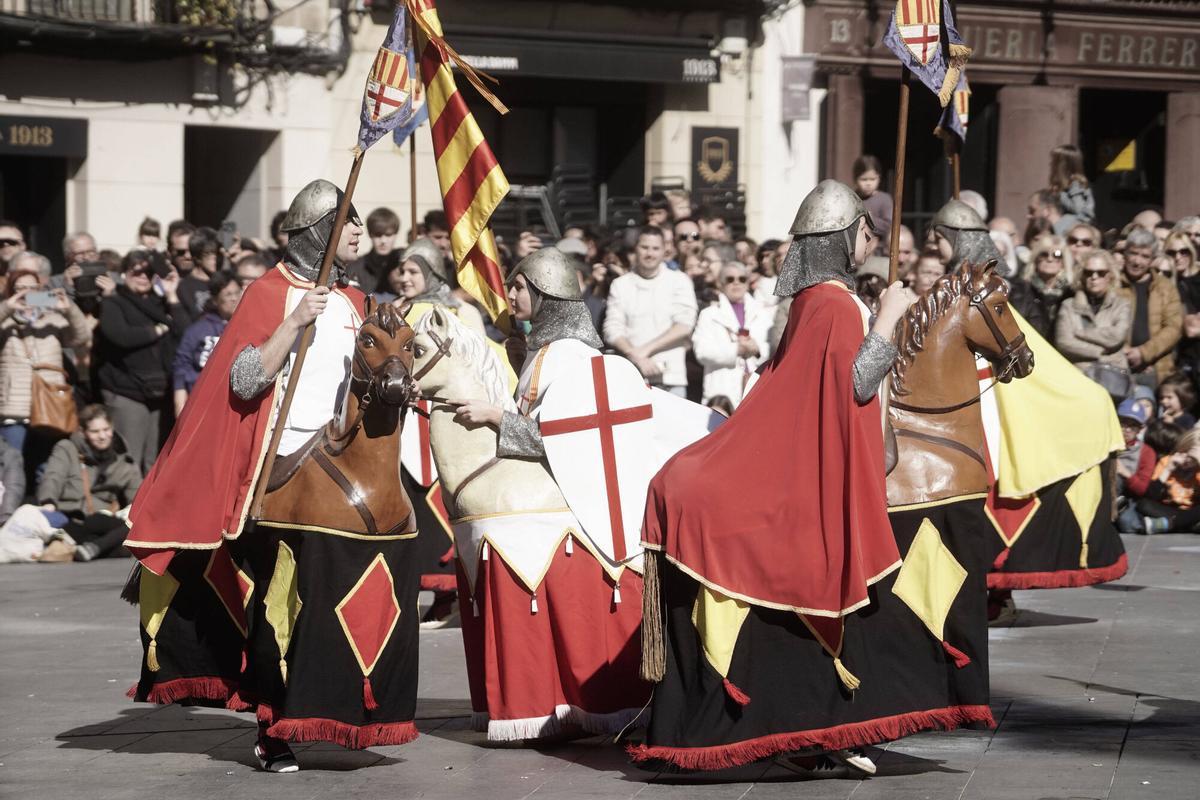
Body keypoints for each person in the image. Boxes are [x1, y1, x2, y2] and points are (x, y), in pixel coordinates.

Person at [633, 180, 992, 775]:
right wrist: (888, 321)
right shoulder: (834, 303)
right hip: (806, 471)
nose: (871, 241)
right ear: (846, 237)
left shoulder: (809, 301)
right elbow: (854, 384)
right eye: (865, 231)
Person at [126, 179, 420, 770]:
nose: (359, 231)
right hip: (282, 461)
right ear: (319, 233)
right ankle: (271, 725)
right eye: (348, 221)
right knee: (282, 601)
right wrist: (292, 323)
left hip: (344, 456)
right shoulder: (271, 292)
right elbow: (241, 380)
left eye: (360, 221)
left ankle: (345, 706)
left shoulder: (355, 299)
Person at [434, 245, 652, 740]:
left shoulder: (571, 358)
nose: (510, 295)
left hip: (574, 506)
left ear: (548, 296)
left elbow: (564, 438)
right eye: (510, 285)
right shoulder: (541, 354)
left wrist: (496, 417)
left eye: (520, 288)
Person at [94, 249, 186, 472]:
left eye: (149, 272)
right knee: (129, 461)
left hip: (160, 393)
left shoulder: (162, 303)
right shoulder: (114, 301)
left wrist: (172, 295)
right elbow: (120, 336)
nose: (143, 276)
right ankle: (127, 506)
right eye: (137, 272)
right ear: (124, 274)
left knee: (155, 462)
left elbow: (184, 333)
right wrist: (156, 330)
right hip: (128, 392)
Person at [0, 260, 91, 481]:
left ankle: (46, 511)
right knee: (12, 464)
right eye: (19, 289)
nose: (26, 294)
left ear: (41, 290)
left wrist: (69, 309)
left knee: (46, 466)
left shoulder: (53, 319)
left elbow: (82, 337)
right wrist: (7, 308)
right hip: (15, 407)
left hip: (50, 403)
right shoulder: (5, 322)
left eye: (32, 288)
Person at [37, 404, 142, 561]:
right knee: (121, 546)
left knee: (134, 528)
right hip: (71, 516)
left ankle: (91, 547)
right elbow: (53, 477)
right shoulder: (67, 448)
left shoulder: (124, 459)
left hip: (103, 519)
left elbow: (137, 494)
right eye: (95, 431)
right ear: (83, 432)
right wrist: (48, 501)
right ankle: (96, 547)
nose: (102, 436)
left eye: (106, 430)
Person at [603, 226, 698, 397]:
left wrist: (644, 351)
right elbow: (612, 328)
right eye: (644, 247)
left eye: (655, 248)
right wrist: (636, 357)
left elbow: (685, 325)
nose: (650, 253)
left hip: (671, 379)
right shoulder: (621, 284)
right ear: (636, 249)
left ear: (664, 251)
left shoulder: (679, 281)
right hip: (631, 377)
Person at [691, 261, 771, 407]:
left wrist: (758, 349)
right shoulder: (709, 315)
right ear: (721, 284)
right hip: (722, 390)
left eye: (742, 279)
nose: (736, 283)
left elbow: (774, 347)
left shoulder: (763, 312)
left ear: (747, 283)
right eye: (730, 279)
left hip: (758, 386)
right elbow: (701, 351)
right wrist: (736, 350)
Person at [172, 271, 243, 415]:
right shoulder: (199, 329)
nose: (234, 298)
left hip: (235, 405)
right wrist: (180, 406)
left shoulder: (249, 327)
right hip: (201, 404)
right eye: (228, 295)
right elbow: (181, 366)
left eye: (237, 293)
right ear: (216, 300)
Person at [1054, 249, 1131, 381]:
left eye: (1100, 273)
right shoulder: (1068, 306)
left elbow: (1116, 336)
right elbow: (1063, 342)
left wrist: (1080, 333)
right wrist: (1100, 353)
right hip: (1078, 375)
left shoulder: (1122, 305)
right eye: (1088, 272)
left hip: (1113, 376)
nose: (1094, 277)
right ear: (1082, 275)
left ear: (1110, 275)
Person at [1118, 227, 1182, 385]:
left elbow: (1174, 328)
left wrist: (1144, 353)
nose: (1137, 261)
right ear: (1125, 254)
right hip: (1118, 365)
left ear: (1153, 259)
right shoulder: (1113, 283)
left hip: (1155, 367)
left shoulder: (1165, 287)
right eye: (1133, 253)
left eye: (1144, 256)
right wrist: (1124, 352)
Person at [1115, 399, 1157, 533]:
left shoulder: (1146, 452)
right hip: (1103, 491)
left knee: (1128, 524)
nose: (1126, 430)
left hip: (1128, 497)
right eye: (1123, 424)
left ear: (1140, 429)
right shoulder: (1106, 444)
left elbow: (1142, 488)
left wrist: (1124, 472)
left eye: (1133, 426)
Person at [1023, 236, 1074, 331]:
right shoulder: (1022, 289)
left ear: (1064, 261)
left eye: (1057, 255)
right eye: (1044, 254)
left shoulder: (1071, 293)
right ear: (1036, 258)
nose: (1050, 259)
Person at [347, 206, 401, 294]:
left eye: (388, 235)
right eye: (378, 235)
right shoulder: (355, 268)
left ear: (395, 234)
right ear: (370, 234)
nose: (383, 241)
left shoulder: (404, 265)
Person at [1048, 144, 1095, 226]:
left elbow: (1078, 209)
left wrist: (1059, 195)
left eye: (1054, 161)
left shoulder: (1075, 183)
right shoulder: (1062, 185)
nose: (1050, 163)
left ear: (1062, 165)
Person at [853, 154, 892, 250]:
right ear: (855, 179)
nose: (868, 183)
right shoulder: (852, 198)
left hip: (879, 249)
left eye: (872, 179)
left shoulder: (884, 199)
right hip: (855, 248)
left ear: (879, 178)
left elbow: (888, 226)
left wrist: (867, 219)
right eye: (864, 179)